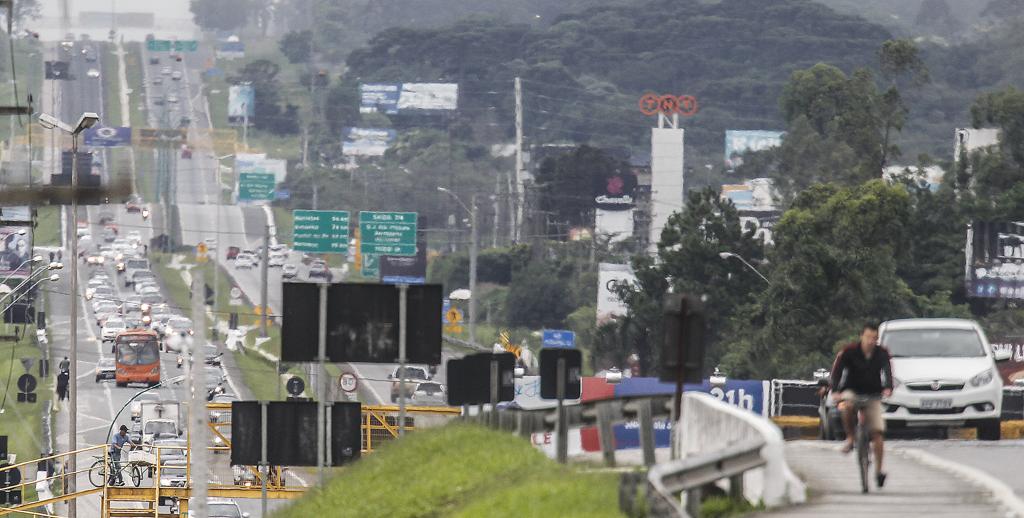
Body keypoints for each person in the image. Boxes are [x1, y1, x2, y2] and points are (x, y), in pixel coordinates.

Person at [829, 322, 893, 488]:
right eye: (868, 337)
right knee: (845, 406)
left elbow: (887, 371)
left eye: (874, 338)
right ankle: (850, 437)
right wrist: (835, 390)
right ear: (861, 336)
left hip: (873, 395)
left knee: (878, 434)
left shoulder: (882, 353)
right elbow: (837, 371)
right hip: (852, 392)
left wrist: (887, 388)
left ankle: (879, 471)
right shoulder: (849, 351)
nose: (871, 341)